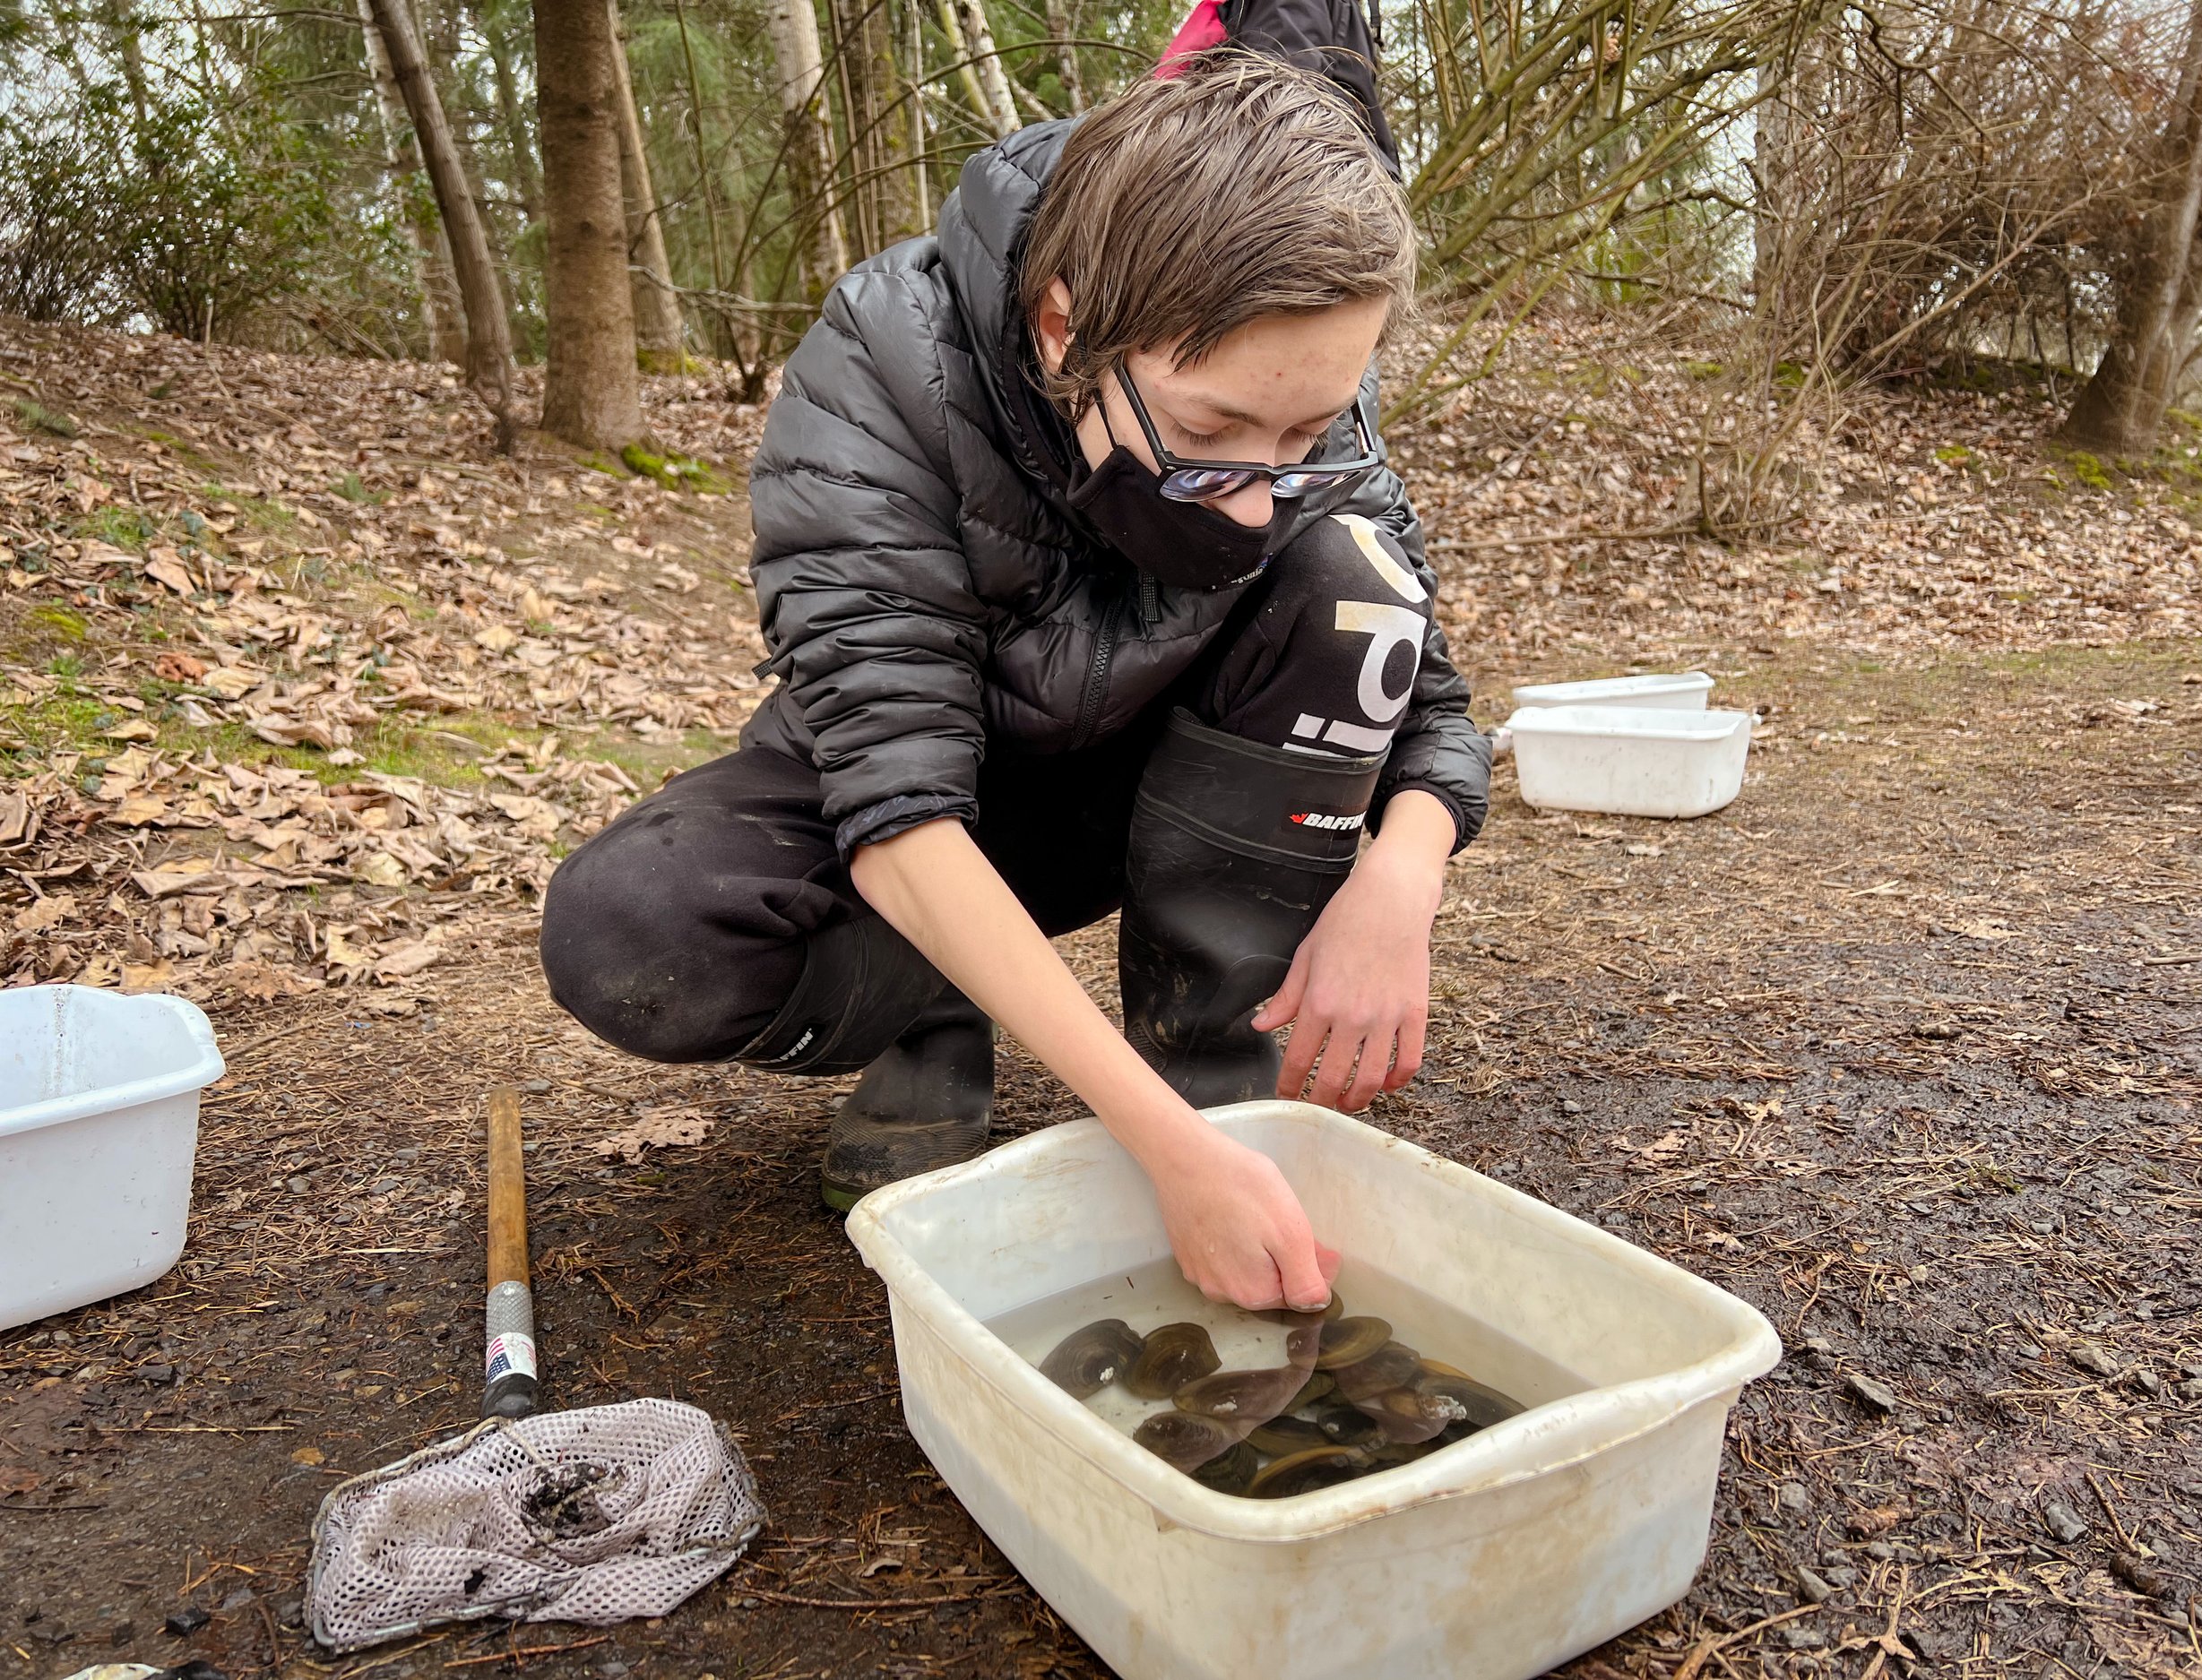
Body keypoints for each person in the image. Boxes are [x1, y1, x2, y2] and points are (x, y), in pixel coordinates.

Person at [539, 48, 1491, 1315]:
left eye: (1304, 439)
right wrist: (1157, 1154)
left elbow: (1423, 687)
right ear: (1064, 323)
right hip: (950, 793)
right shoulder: (886, 365)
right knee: (632, 931)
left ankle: (1208, 1075)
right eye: (1208, 438)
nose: (1260, 494)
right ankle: (934, 1012)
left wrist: (1399, 877)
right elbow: (894, 799)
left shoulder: (1299, 380)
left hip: (1166, 789)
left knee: (1348, 568)